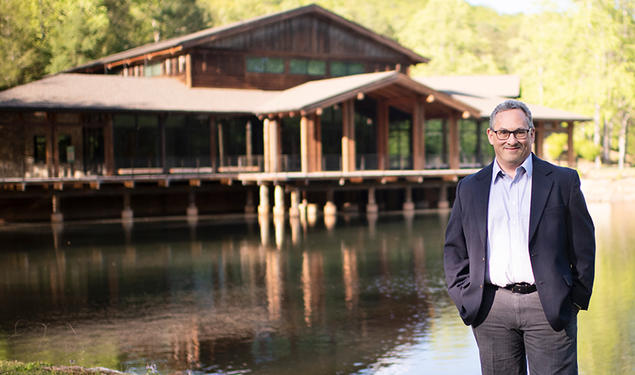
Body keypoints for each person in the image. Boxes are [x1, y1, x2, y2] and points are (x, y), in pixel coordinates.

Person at [443, 99, 595, 374]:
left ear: (532, 134)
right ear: (491, 136)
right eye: (503, 132)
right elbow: (455, 249)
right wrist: (466, 298)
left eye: (519, 132)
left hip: (548, 305)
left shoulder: (563, 181)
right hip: (491, 309)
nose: (511, 139)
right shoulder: (470, 188)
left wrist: (573, 300)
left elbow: (584, 246)